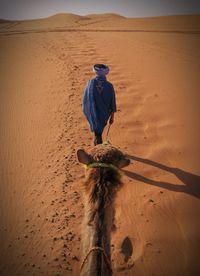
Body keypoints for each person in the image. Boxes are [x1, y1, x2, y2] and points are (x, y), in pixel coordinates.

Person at [83, 64, 117, 145]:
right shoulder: (109, 86)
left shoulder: (90, 83)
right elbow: (112, 103)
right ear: (106, 73)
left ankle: (97, 147)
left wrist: (89, 111)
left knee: (97, 133)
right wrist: (112, 117)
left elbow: (85, 99)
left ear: (95, 72)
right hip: (104, 115)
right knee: (99, 133)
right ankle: (98, 147)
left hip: (92, 114)